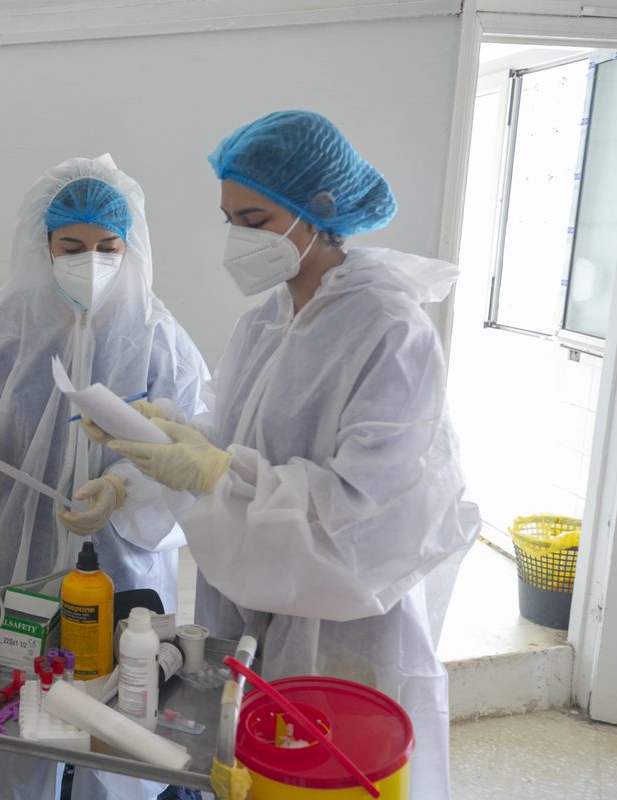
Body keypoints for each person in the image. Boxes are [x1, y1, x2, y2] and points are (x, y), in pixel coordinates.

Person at [100, 111, 479, 800]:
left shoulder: (391, 330)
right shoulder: (263, 322)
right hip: (250, 599)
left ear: (321, 209)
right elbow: (239, 436)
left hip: (343, 623)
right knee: (248, 766)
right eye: (229, 219)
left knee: (330, 776)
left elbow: (367, 507)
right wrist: (166, 436)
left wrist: (219, 471)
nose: (237, 240)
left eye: (255, 219)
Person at [0, 155, 209, 800]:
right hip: (22, 548)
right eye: (72, 245)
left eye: (108, 246)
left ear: (129, 247)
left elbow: (191, 435)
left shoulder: (157, 331)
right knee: (22, 703)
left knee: (123, 706)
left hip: (123, 558)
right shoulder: (0, 323)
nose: (91, 260)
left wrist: (125, 486)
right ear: (42, 244)